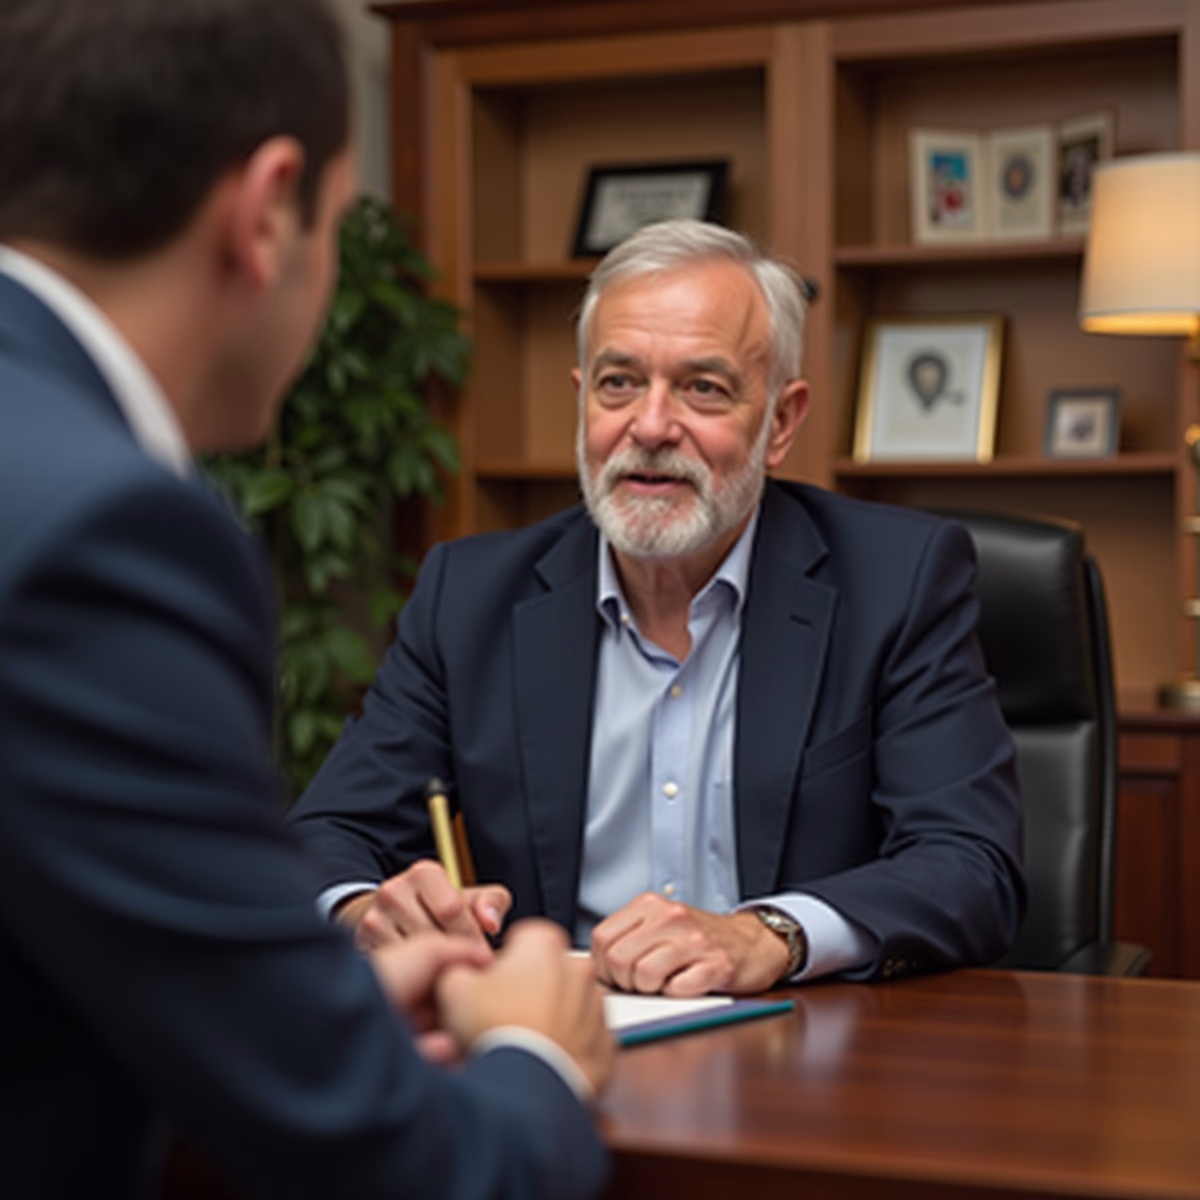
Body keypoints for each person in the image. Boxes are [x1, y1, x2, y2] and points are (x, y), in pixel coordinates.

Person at [0, 1, 614, 1197]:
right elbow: (403, 1173)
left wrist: (298, 1005)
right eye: (337, 221)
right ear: (269, 210)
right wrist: (539, 1053)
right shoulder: (105, 535)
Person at [289, 218, 1026, 997]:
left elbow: (970, 864)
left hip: (805, 1045)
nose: (649, 427)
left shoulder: (897, 582)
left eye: (703, 388)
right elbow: (328, 833)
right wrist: (368, 913)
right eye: (619, 383)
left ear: (780, 422)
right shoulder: (469, 597)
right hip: (557, 1042)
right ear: (583, 401)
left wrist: (767, 934)